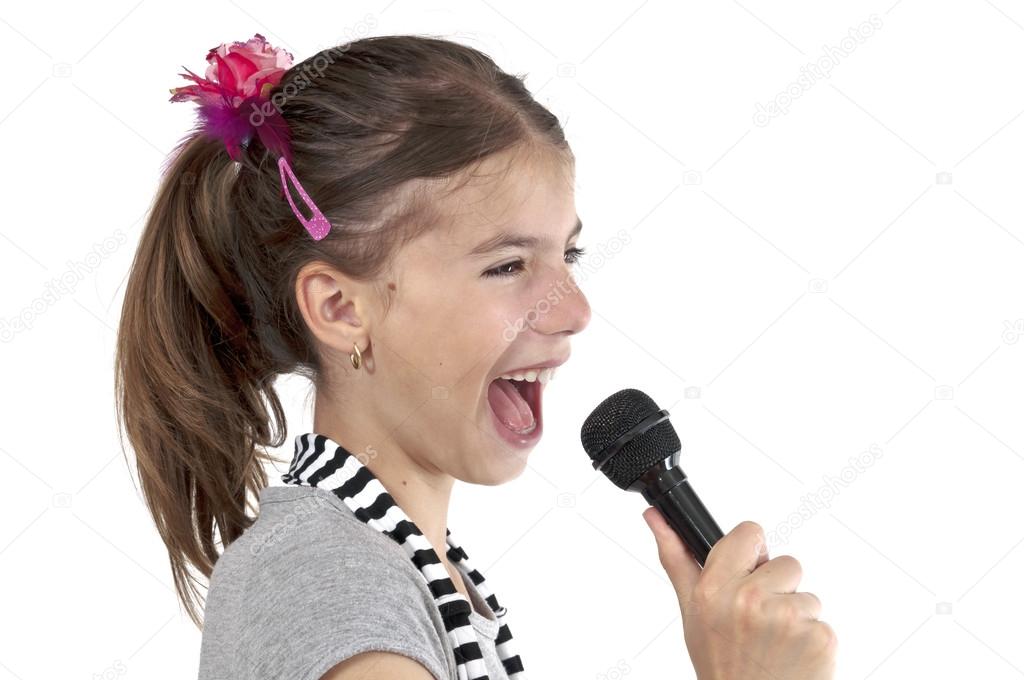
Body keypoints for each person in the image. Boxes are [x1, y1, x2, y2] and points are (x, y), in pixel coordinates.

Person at [114, 32, 836, 680]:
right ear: (341, 309)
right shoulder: (325, 583)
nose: (577, 311)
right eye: (507, 265)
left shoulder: (399, 567)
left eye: (568, 253)